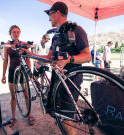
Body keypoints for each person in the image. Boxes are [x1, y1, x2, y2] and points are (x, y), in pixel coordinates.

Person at [22, 2, 91, 135]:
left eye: (50, 14)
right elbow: (49, 57)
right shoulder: (56, 36)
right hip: (57, 81)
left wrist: (68, 60)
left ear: (58, 13)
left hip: (71, 82)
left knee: (67, 121)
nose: (49, 18)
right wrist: (31, 55)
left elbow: (87, 56)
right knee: (60, 114)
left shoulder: (77, 30)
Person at [1, 25, 35, 127]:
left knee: (26, 94)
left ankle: (29, 115)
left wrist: (29, 72)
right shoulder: (8, 45)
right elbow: (6, 61)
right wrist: (3, 75)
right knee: (13, 96)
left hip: (23, 72)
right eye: (14, 32)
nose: (16, 34)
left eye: (18, 32)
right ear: (10, 34)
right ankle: (13, 116)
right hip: (12, 72)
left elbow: (28, 59)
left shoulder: (24, 44)